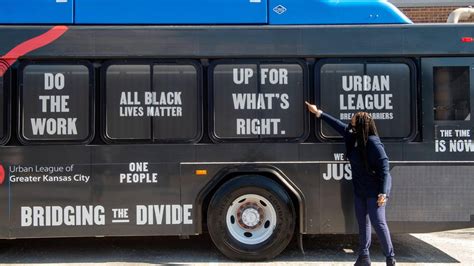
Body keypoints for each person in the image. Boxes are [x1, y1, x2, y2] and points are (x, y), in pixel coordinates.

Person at [305, 101, 395, 266]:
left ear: (360, 124)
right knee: (363, 224)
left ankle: (390, 258)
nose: (350, 120)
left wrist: (384, 193)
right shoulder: (353, 137)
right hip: (360, 190)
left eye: (353, 119)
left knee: (378, 223)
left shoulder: (373, 143)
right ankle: (364, 258)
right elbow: (337, 124)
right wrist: (318, 112)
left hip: (375, 192)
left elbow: (385, 168)